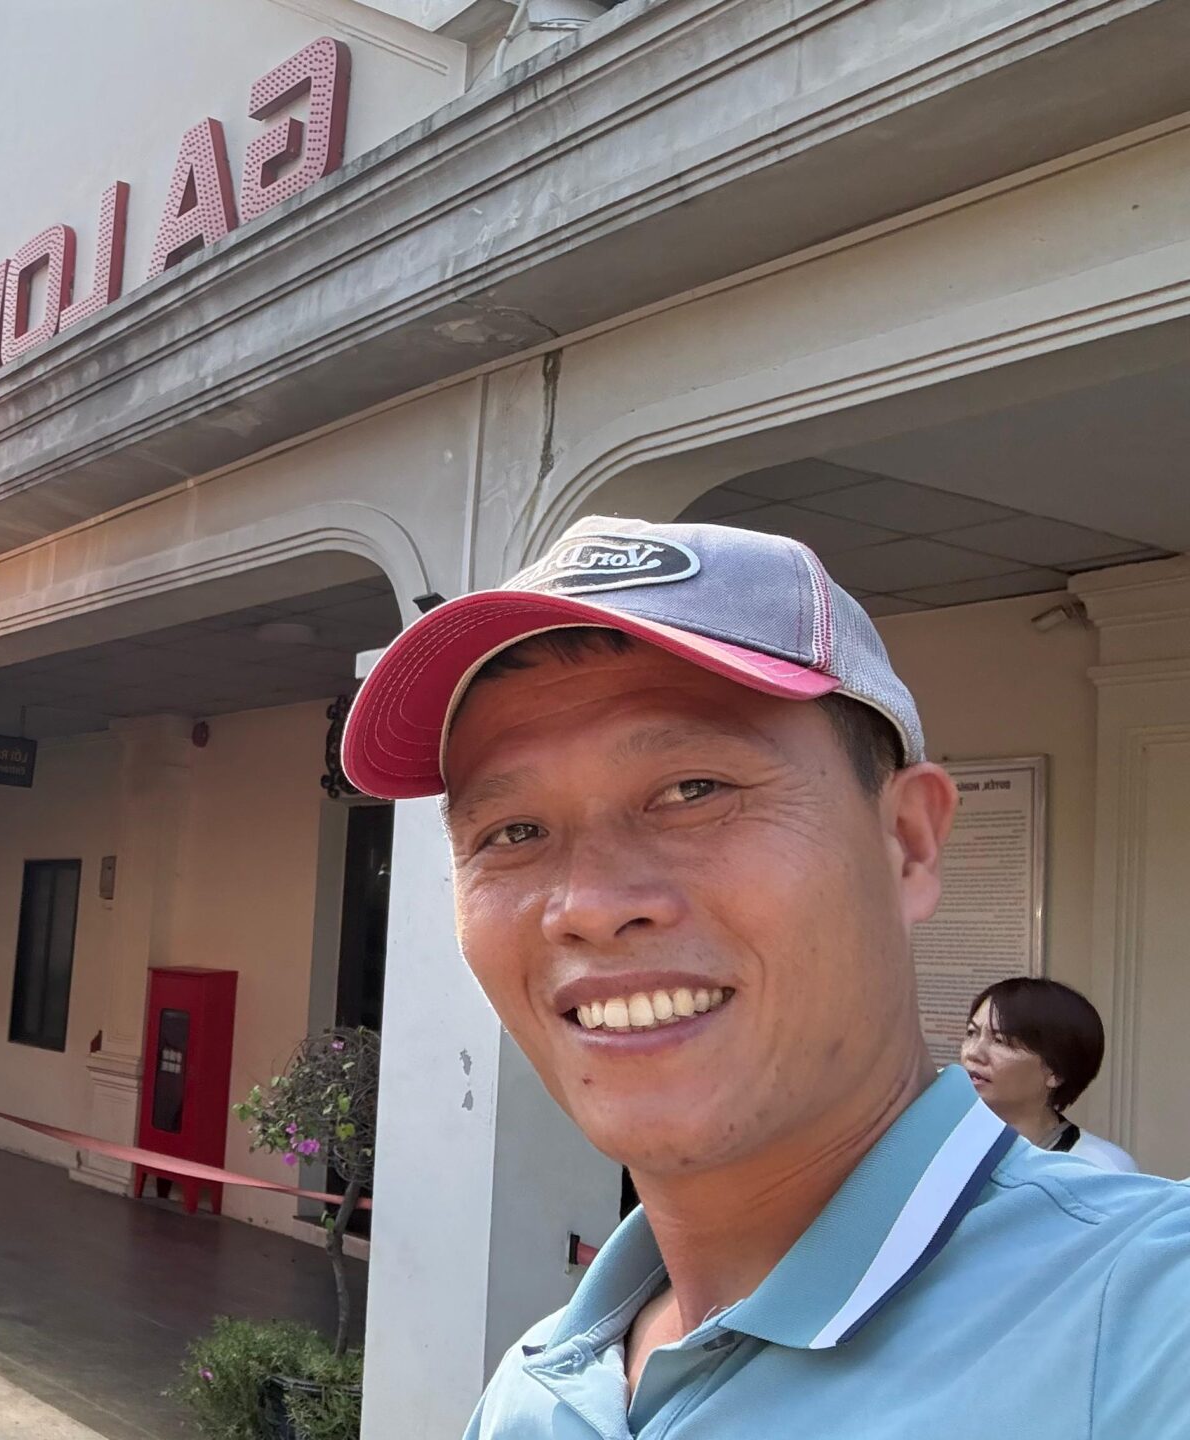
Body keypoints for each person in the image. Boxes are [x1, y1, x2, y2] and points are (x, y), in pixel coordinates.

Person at [338, 514, 1190, 1436]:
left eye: (694, 790)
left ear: (906, 843)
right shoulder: (537, 1389)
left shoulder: (1146, 1319)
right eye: (511, 833)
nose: (585, 903)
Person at [962, 976, 1135, 1171]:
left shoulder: (1099, 1169)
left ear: (1056, 1072)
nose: (973, 1053)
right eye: (971, 1033)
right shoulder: (940, 1145)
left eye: (1001, 1041)